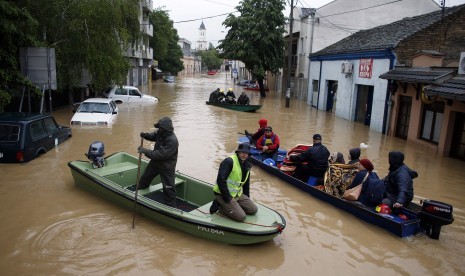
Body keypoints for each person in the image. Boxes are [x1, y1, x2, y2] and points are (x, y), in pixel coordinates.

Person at [137, 117, 179, 208]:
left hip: (167, 167)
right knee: (144, 179)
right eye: (159, 128)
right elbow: (154, 136)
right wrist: (145, 135)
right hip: (155, 164)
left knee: (169, 189)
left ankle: (171, 208)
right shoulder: (161, 133)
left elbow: (160, 154)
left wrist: (145, 151)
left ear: (165, 129)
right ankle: (140, 196)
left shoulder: (172, 140)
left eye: (160, 128)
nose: (159, 129)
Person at [210, 143, 258, 221]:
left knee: (253, 210)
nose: (244, 155)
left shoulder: (247, 165)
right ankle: (220, 207)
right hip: (223, 194)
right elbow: (221, 180)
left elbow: (246, 184)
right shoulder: (229, 161)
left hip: (236, 194)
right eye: (242, 152)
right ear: (238, 152)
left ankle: (232, 207)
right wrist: (228, 198)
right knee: (241, 217)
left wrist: (247, 199)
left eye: (246, 153)